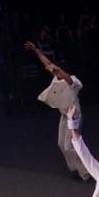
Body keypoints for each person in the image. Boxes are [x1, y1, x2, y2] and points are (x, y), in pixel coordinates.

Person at [25, 40, 88, 180]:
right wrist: (35, 49)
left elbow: (62, 74)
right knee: (62, 144)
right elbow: (47, 63)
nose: (54, 70)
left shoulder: (73, 81)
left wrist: (55, 68)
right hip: (64, 115)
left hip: (74, 116)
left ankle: (85, 172)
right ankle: (78, 168)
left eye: (58, 69)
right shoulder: (57, 77)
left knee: (71, 145)